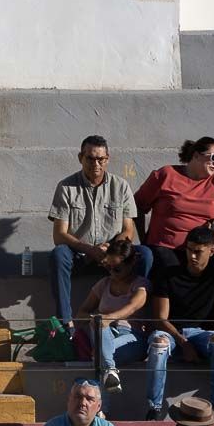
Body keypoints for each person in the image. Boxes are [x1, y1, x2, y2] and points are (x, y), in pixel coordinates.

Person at [48, 135, 148, 328]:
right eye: (90, 158)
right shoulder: (66, 187)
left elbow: (128, 229)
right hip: (80, 255)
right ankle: (64, 323)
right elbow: (59, 235)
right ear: (80, 158)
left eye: (100, 159)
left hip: (113, 256)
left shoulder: (121, 186)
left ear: (107, 158)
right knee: (59, 254)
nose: (96, 164)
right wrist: (89, 249)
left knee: (145, 254)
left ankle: (138, 319)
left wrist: (110, 249)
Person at [145, 226, 214, 420]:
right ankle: (153, 408)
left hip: (202, 334)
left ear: (211, 251)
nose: (192, 256)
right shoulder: (169, 275)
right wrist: (184, 343)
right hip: (171, 333)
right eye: (189, 250)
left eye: (198, 251)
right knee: (158, 345)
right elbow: (160, 319)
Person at [135, 136, 214, 273]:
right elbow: (137, 205)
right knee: (172, 272)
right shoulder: (166, 175)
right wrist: (143, 238)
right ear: (196, 156)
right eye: (213, 158)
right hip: (164, 246)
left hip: (201, 250)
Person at [73, 238, 149, 394]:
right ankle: (110, 370)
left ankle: (102, 407)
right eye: (108, 267)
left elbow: (133, 306)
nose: (112, 272)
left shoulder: (140, 285)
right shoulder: (104, 284)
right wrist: (96, 318)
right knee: (99, 325)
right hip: (103, 334)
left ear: (131, 264)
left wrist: (109, 318)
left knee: (100, 354)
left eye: (117, 269)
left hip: (131, 336)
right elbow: (81, 313)